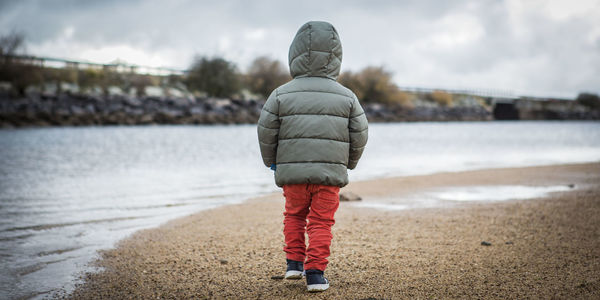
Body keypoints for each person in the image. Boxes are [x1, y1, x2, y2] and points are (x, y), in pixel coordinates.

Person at [257, 20, 368, 292]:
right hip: (329, 175)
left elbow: (266, 132)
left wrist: (272, 162)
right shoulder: (347, 97)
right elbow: (360, 134)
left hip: (292, 174)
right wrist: (348, 164)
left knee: (294, 215)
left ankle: (293, 264)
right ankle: (316, 275)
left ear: (294, 54)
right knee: (321, 222)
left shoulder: (280, 94)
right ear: (335, 57)